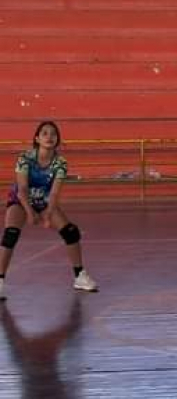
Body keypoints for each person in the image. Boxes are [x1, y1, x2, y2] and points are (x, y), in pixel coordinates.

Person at [1, 121, 99, 300]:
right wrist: (30, 213)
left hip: (44, 200)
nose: (49, 137)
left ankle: (79, 276)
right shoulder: (25, 159)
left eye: (53, 134)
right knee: (10, 234)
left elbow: (54, 192)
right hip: (21, 201)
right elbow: (22, 189)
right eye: (44, 133)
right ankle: (0, 281)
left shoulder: (60, 163)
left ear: (57, 140)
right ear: (37, 138)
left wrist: (47, 215)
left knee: (71, 232)